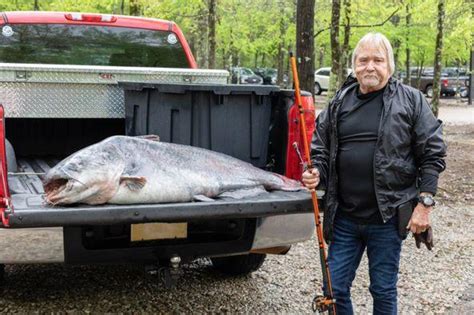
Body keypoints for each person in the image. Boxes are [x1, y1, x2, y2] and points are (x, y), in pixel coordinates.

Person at [302, 32, 446, 315]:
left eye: (378, 60)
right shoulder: (339, 103)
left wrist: (424, 205)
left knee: (382, 289)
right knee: (333, 289)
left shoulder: (411, 101)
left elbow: (433, 152)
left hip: (388, 216)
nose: (370, 66)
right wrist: (316, 172)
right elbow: (320, 149)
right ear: (354, 65)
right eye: (363, 60)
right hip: (344, 217)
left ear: (389, 66)